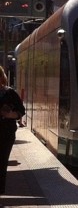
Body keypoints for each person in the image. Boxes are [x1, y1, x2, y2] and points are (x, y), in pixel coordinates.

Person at [0, 65, 25, 195]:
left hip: (5, 134)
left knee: (2, 162)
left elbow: (21, 111)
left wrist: (10, 115)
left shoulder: (10, 93)